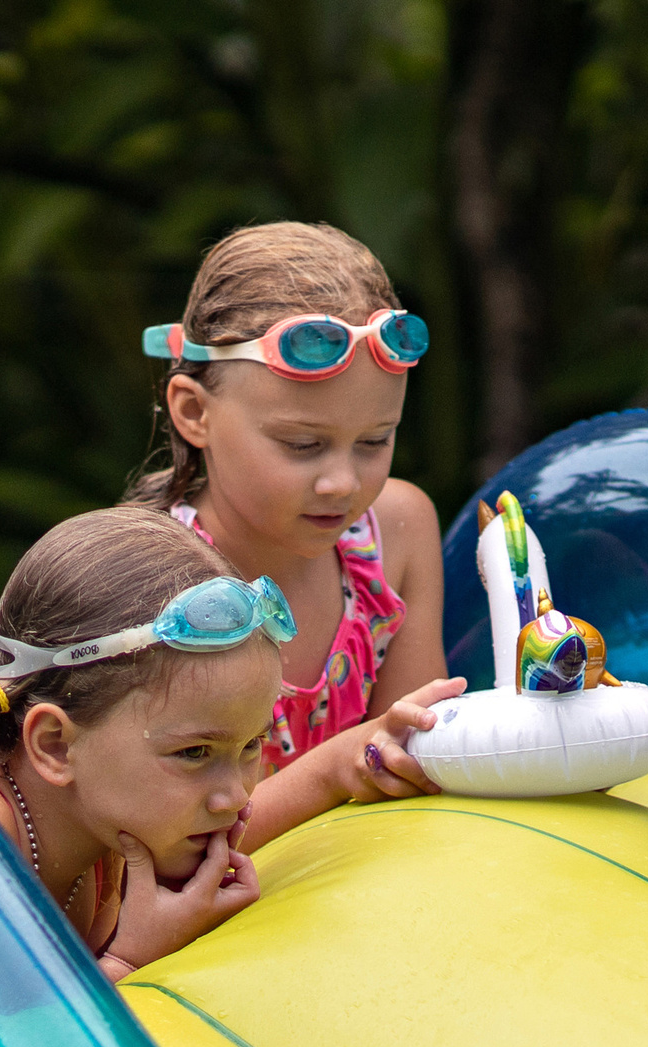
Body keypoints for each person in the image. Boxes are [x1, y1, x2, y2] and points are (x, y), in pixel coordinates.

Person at [133, 221, 464, 846]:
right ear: (193, 412)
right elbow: (162, 852)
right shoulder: (152, 589)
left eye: (375, 441)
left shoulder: (396, 531)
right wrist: (333, 772)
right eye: (302, 444)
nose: (341, 482)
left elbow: (423, 757)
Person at [0, 506, 278, 980]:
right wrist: (131, 960)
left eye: (252, 745)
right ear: (56, 746)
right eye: (194, 752)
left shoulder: (105, 823)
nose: (236, 797)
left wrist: (345, 769)